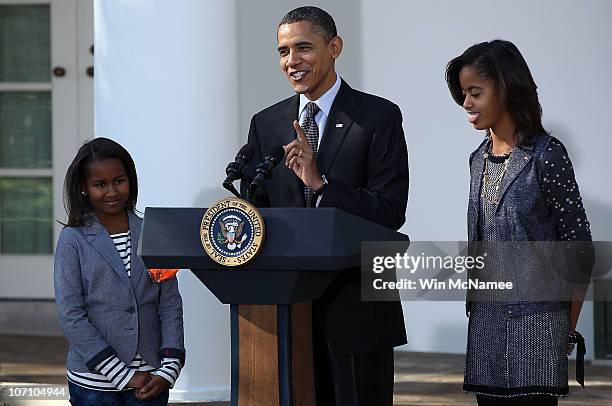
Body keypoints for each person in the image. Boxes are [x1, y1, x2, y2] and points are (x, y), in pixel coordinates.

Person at [241, 6, 409, 406]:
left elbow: (389, 210)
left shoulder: (378, 116)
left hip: (360, 304)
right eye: (283, 51)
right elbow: (258, 207)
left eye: (303, 48)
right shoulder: (266, 124)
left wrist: (322, 185)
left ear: (334, 47)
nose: (291, 61)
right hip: (287, 307)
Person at [445, 40, 593, 405]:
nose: (466, 103)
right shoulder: (476, 159)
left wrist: (565, 329)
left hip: (538, 329)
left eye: (475, 92)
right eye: (464, 93)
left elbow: (580, 250)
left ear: (507, 90)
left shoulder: (547, 155)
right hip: (486, 327)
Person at [54, 138, 185, 405]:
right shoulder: (72, 239)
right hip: (95, 383)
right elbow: (71, 315)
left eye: (119, 180)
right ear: (83, 188)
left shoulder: (154, 233)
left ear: (130, 180)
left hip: (152, 379)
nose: (111, 191)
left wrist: (169, 367)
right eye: (100, 185)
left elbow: (170, 304)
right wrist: (122, 374)